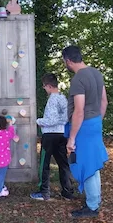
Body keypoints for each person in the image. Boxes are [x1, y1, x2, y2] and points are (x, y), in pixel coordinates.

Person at [62, 46, 108, 218]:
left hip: (84, 126)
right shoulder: (96, 73)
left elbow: (79, 110)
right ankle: (94, 200)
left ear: (68, 60)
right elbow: (104, 101)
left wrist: (72, 138)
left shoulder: (78, 79)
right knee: (93, 164)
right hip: (95, 123)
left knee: (85, 164)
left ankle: (92, 207)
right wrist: (97, 121)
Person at [30, 73, 74, 201]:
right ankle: (67, 192)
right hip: (61, 134)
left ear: (49, 86)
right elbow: (65, 117)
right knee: (63, 164)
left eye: (44, 86)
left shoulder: (52, 99)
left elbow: (51, 120)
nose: (44, 89)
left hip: (49, 136)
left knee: (44, 164)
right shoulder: (62, 98)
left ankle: (44, 192)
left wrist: (38, 121)